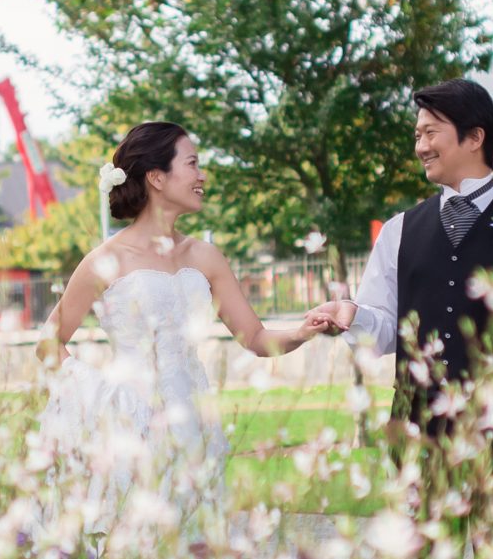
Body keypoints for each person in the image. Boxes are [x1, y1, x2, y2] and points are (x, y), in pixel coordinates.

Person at [35, 121, 324, 532]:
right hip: (129, 425)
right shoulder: (106, 259)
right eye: (192, 164)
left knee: (194, 540)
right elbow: (48, 343)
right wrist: (98, 394)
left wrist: (303, 330)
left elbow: (257, 338)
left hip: (193, 420)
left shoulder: (205, 256)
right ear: (157, 177)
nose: (202, 176)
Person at [303, 79, 493, 393]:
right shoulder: (398, 231)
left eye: (431, 133)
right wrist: (354, 316)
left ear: (474, 137)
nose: (421, 147)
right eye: (417, 136)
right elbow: (384, 333)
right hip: (414, 418)